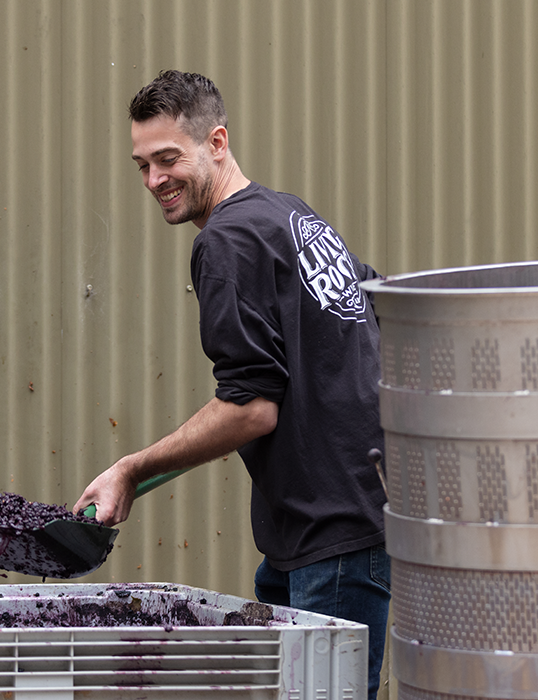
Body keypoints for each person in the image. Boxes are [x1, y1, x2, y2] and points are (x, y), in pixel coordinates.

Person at [75, 70, 390, 698]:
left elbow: (251, 409)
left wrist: (131, 470)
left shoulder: (226, 242)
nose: (154, 180)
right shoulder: (290, 215)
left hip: (334, 532)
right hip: (329, 521)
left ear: (216, 142)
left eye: (168, 159)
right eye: (141, 164)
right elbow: (378, 308)